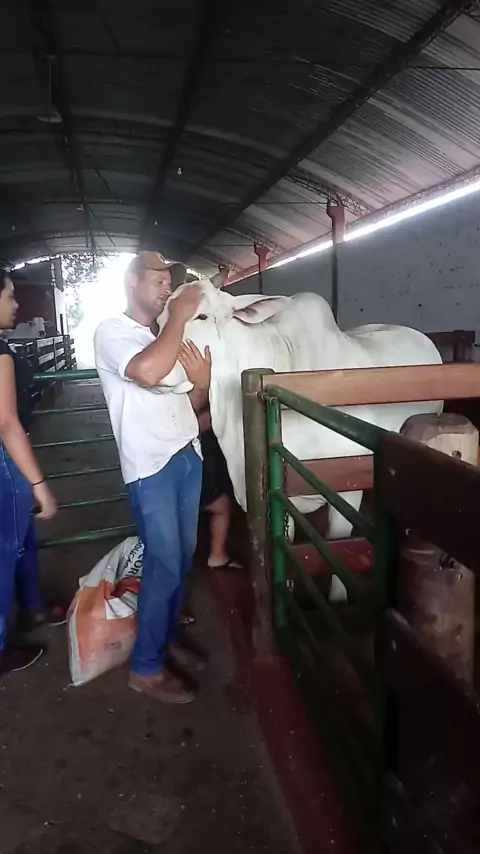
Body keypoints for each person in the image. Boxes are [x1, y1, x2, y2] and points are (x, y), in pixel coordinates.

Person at [94, 251, 211, 705]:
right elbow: (145, 372)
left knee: (181, 558)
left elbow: (188, 403)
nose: (167, 288)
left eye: (170, 282)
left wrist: (201, 382)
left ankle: (164, 635)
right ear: (131, 280)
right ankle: (145, 668)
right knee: (163, 564)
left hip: (187, 455)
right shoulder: (112, 331)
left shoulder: (162, 337)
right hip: (151, 468)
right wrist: (179, 315)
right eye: (158, 280)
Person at [0, 269, 57, 677]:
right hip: (5, 461)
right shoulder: (0, 352)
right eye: (9, 296)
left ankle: (33, 607)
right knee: (6, 550)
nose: (16, 304)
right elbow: (6, 422)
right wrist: (39, 484)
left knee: (21, 541)